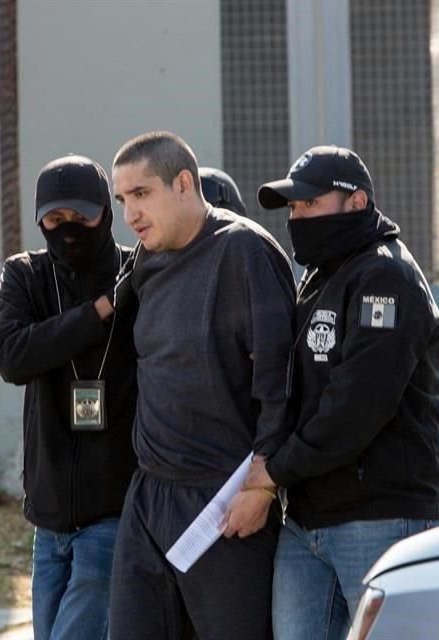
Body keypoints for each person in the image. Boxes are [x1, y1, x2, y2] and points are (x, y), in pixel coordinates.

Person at [245, 145, 439, 640]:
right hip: (308, 517)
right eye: (292, 208)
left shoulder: (386, 276)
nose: (297, 217)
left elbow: (355, 407)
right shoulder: (319, 276)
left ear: (356, 203)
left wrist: (272, 474)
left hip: (380, 517)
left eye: (310, 204)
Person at [108, 131, 296, 640]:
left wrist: (262, 484)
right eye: (122, 199)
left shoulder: (243, 250)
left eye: (141, 194)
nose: (130, 215)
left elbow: (280, 382)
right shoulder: (147, 258)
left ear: (184, 183)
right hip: (149, 493)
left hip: (222, 499)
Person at [0, 154, 138, 640]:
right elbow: (10, 356)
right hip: (48, 517)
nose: (68, 229)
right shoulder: (26, 276)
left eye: (80, 218)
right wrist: (95, 314)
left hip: (112, 511)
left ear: (104, 214)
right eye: (55, 220)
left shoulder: (136, 274)